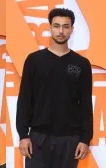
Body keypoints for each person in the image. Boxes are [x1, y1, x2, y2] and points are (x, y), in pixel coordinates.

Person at [16, 8, 93, 168]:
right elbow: (24, 100)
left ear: (72, 29)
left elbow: (86, 104)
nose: (61, 31)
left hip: (70, 140)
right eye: (56, 26)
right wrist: (23, 135)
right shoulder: (34, 60)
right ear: (49, 28)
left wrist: (85, 139)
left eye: (66, 26)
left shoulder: (82, 64)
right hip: (38, 138)